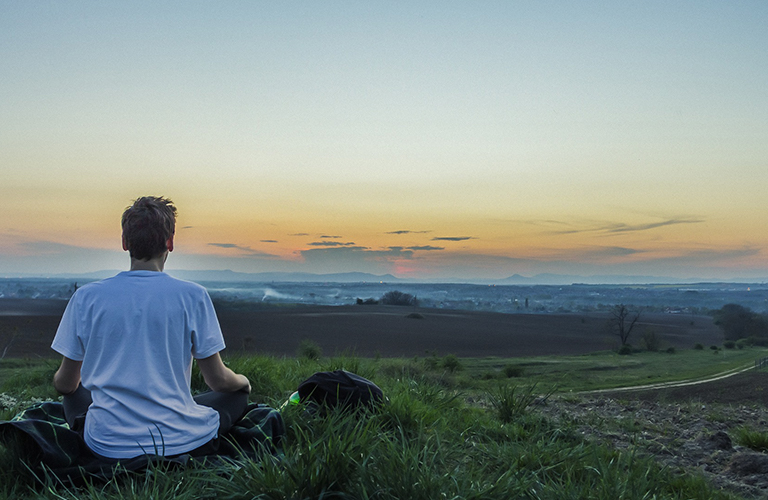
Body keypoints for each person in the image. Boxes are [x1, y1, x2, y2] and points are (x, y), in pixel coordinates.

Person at [51, 196, 251, 460]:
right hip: (179, 440)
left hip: (106, 444)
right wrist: (243, 383)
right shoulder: (193, 296)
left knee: (75, 393)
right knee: (235, 396)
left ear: (125, 242)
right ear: (170, 242)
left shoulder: (86, 297)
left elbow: (65, 385)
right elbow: (218, 381)